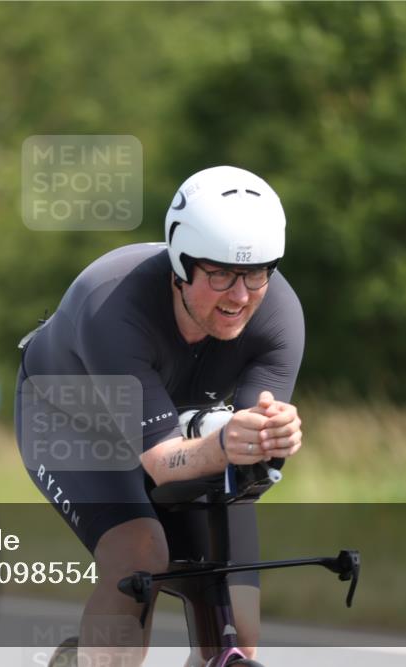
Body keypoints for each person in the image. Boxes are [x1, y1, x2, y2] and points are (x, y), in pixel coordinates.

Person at [15, 166, 305, 666]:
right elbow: (161, 461)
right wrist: (223, 445)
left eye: (257, 272)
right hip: (72, 419)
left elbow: (240, 449)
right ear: (180, 263)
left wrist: (268, 438)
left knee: (240, 629)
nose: (240, 297)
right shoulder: (111, 303)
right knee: (138, 555)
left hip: (176, 425)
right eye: (219, 274)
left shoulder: (279, 314)